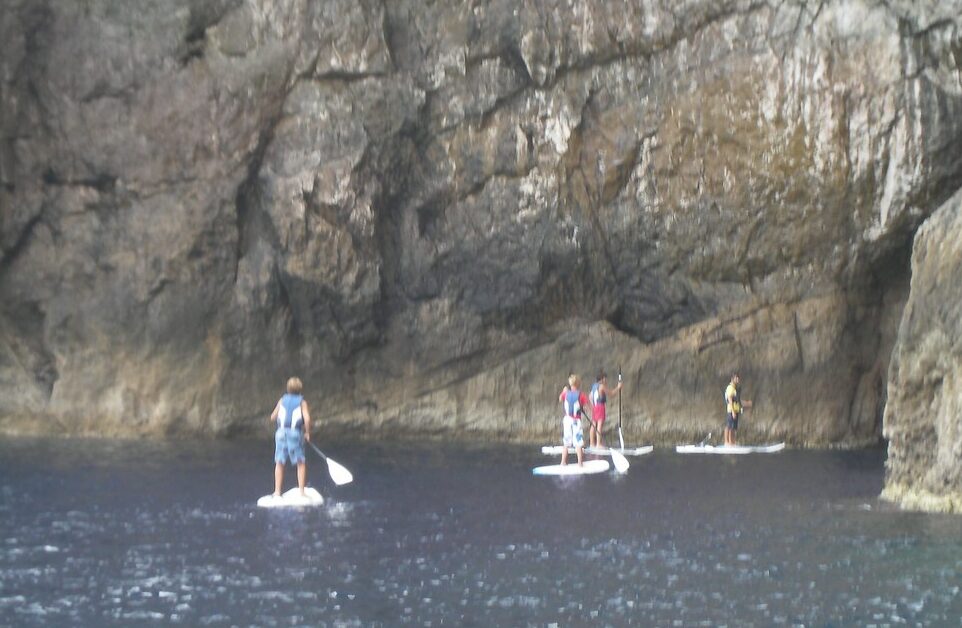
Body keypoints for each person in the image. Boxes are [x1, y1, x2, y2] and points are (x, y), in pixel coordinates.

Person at [269, 376, 312, 497]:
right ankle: (302, 492)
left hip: (280, 433)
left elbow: (273, 417)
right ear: (300, 389)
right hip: (295, 433)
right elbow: (307, 419)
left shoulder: (282, 400)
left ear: (288, 388)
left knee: (279, 461)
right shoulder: (302, 402)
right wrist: (307, 433)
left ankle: (277, 491)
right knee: (300, 462)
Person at [558, 374, 588, 466]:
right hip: (576, 421)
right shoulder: (581, 395)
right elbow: (587, 406)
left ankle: (563, 462)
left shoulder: (565, 394)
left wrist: (563, 391)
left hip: (566, 420)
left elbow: (560, 399)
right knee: (578, 442)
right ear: (578, 383)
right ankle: (580, 463)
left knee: (566, 442)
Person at [588, 369, 622, 449]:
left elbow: (590, 396)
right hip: (600, 407)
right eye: (605, 378)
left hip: (595, 407)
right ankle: (598, 444)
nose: (606, 380)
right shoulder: (601, 386)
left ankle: (592, 444)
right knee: (599, 424)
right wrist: (618, 387)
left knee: (593, 425)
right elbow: (611, 394)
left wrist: (592, 405)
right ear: (602, 379)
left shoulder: (594, 386)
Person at [724, 372, 751, 446]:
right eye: (736, 378)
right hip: (731, 410)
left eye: (738, 378)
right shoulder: (730, 388)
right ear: (732, 379)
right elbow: (729, 399)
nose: (738, 379)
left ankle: (732, 442)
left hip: (736, 410)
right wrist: (733, 411)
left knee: (733, 428)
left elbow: (737, 400)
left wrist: (747, 403)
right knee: (729, 426)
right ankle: (727, 442)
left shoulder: (735, 388)